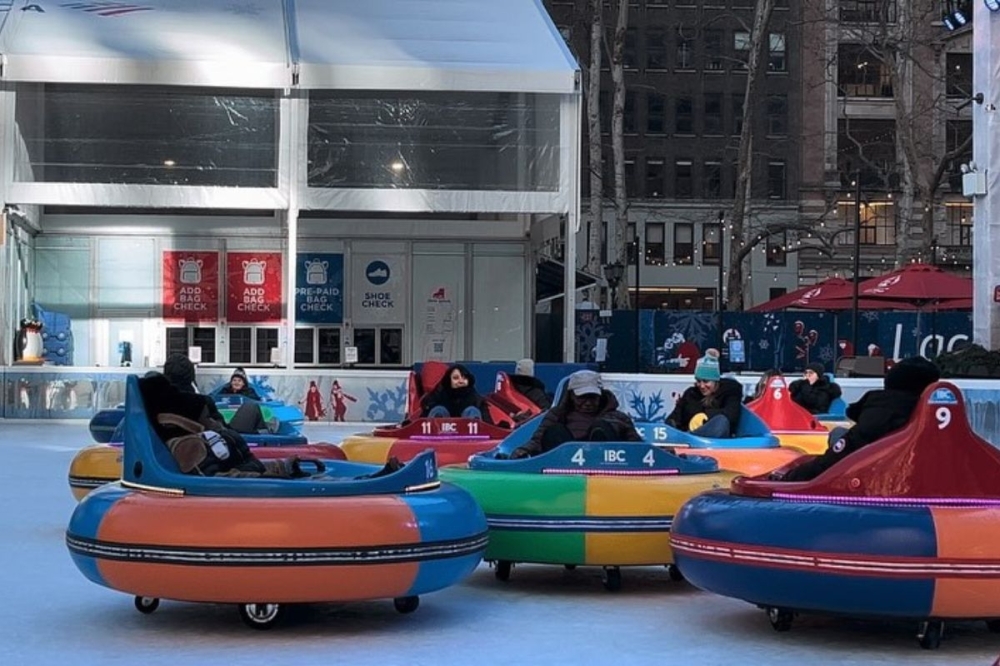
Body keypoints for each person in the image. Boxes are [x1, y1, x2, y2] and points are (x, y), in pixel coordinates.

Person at [779, 356, 941, 482]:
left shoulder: (883, 411)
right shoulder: (930, 411)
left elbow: (839, 456)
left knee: (839, 436)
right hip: (889, 466)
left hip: (870, 472)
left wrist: (788, 478)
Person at [507, 370, 642, 459]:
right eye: (582, 397)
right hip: (564, 467)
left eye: (592, 397)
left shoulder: (618, 418)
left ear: (601, 396)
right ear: (571, 396)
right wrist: (522, 451)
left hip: (605, 467)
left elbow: (638, 447)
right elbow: (537, 440)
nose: (588, 403)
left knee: (602, 427)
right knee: (555, 431)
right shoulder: (557, 415)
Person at [162, 353, 273, 434]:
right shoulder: (200, 403)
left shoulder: (153, 402)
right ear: (191, 376)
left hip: (168, 450)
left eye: (239, 381)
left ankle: (264, 432)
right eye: (235, 380)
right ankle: (265, 433)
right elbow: (221, 429)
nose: (236, 383)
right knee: (251, 407)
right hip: (207, 449)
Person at [665, 348, 743, 438]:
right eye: (698, 381)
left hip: (716, 441)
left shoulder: (730, 392)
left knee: (721, 421)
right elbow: (674, 417)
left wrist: (706, 416)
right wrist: (671, 425)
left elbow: (732, 414)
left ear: (715, 381)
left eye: (706, 381)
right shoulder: (690, 394)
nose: (702, 386)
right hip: (686, 437)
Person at [421, 363, 490, 421]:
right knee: (439, 410)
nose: (461, 381)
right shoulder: (438, 396)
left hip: (468, 435)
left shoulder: (476, 399)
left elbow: (488, 424)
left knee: (472, 411)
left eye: (464, 378)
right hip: (441, 434)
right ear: (449, 380)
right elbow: (422, 420)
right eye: (456, 378)